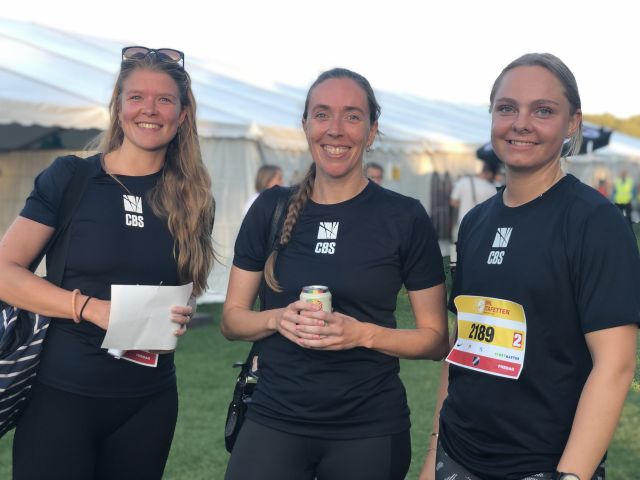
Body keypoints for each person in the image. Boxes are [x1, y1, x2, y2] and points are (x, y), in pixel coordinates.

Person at [221, 67, 449, 480]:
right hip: (274, 417)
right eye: (322, 114)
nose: (336, 130)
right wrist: (276, 318)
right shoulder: (270, 208)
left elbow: (435, 340)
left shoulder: (404, 217)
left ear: (372, 129)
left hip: (368, 428)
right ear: (305, 125)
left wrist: (360, 334)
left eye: (352, 116)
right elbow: (232, 319)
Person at [420, 53, 639, 480]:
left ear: (572, 123)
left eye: (543, 110)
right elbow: (462, 347)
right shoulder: (476, 222)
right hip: (458, 457)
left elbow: (615, 366)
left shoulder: (595, 222)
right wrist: (433, 457)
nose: (521, 123)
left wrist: (570, 475)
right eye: (507, 108)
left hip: (545, 467)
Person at [0, 46, 215, 479]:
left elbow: (177, 286)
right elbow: (4, 273)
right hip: (61, 397)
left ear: (183, 114)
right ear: (118, 107)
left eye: (165, 99)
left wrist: (176, 314)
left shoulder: (194, 199)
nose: (149, 110)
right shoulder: (71, 177)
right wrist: (91, 309)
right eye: (136, 97)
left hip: (148, 403)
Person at [449, 162, 498, 237]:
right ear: (490, 174)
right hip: (484, 227)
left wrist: (465, 204)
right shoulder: (492, 188)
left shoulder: (464, 181)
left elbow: (453, 202)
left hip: (464, 225)